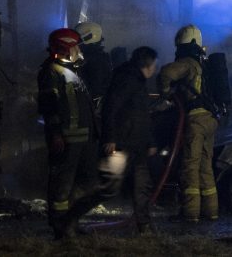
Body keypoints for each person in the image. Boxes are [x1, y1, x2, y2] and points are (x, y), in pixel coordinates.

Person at [65, 46, 160, 234]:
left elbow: (141, 116)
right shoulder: (127, 80)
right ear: (147, 65)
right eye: (154, 65)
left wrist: (149, 142)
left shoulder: (137, 81)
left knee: (142, 188)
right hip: (121, 145)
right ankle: (70, 219)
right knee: (109, 187)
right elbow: (111, 108)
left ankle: (145, 227)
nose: (155, 69)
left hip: (136, 145)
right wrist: (110, 138)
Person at [36, 28, 98, 239]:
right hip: (66, 139)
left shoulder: (71, 70)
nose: (79, 50)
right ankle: (60, 227)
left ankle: (71, 220)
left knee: (87, 181)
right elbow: (49, 106)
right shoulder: (51, 72)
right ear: (65, 47)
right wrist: (55, 133)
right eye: (76, 45)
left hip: (84, 138)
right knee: (62, 184)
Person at [158, 24, 218, 222]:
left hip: (196, 119)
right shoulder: (204, 62)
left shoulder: (188, 62)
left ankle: (190, 213)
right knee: (205, 167)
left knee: (189, 166)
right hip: (210, 119)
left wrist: (166, 94)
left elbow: (166, 73)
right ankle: (211, 212)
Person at [74, 22, 113, 104]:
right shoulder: (93, 57)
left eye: (78, 39)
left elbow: (95, 89)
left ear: (88, 37)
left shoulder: (96, 60)